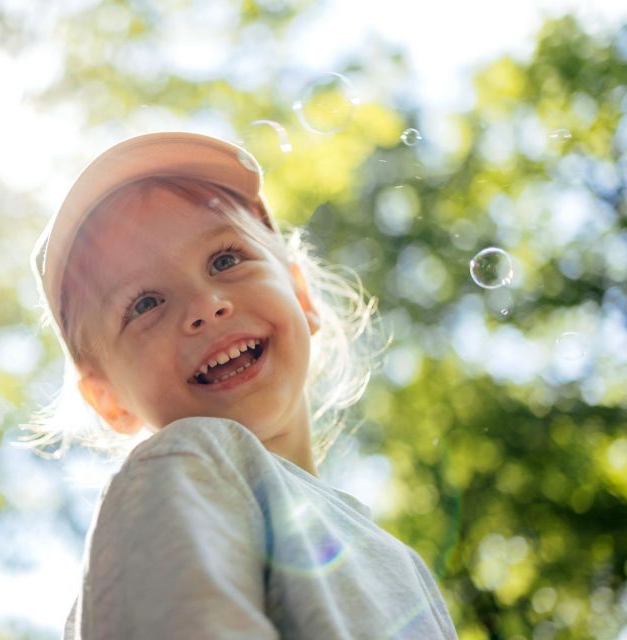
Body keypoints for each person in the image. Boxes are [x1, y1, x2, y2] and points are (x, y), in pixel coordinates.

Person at [26, 132, 459, 638]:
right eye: (144, 303)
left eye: (225, 260)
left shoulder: (398, 560)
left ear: (301, 294)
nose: (206, 304)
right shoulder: (187, 463)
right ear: (108, 398)